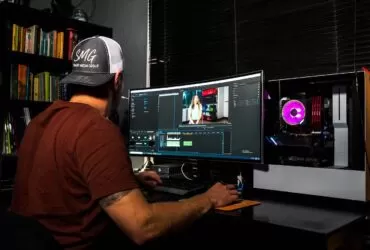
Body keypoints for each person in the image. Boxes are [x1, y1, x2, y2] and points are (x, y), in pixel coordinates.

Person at [10, 36, 238, 249]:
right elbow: (143, 227)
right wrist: (207, 199)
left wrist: (127, 180)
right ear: (117, 80)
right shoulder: (97, 129)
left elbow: (60, 179)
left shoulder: (40, 121)